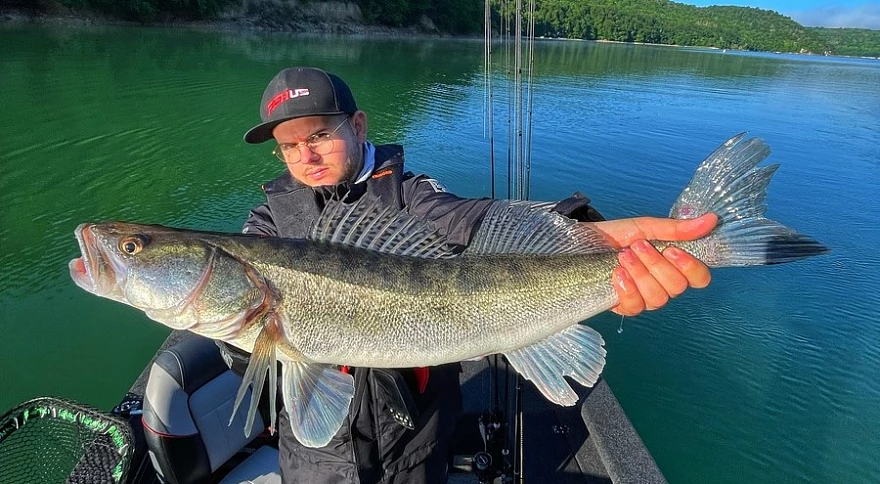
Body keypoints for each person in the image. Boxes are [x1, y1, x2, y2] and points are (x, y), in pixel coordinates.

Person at [222, 66, 717, 484]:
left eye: (318, 136)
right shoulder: (266, 224)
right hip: (315, 457)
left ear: (358, 125)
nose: (304, 157)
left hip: (414, 434)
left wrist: (586, 231)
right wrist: (230, 335)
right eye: (288, 146)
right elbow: (250, 350)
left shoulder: (412, 196)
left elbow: (469, 219)